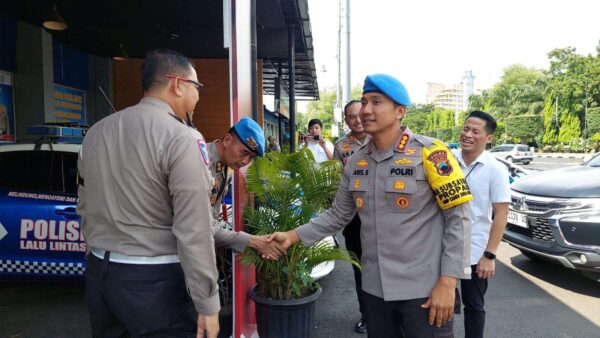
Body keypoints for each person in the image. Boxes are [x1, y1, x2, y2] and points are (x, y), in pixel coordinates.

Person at [269, 73, 473, 337]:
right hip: (375, 292)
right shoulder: (356, 162)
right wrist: (293, 236)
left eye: (376, 102)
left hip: (424, 292)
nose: (366, 110)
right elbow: (338, 214)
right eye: (364, 102)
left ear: (400, 111)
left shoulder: (431, 153)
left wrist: (448, 282)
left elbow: (459, 218)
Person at [452, 111, 510, 338]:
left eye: (475, 131)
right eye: (466, 128)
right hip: (440, 245)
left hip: (475, 251)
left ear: (489, 138)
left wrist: (490, 255)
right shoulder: (446, 159)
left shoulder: (495, 169)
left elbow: (501, 214)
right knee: (438, 301)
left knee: (474, 305)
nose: (467, 134)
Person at [333, 100, 371, 334]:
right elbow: (341, 179)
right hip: (353, 218)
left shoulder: (379, 138)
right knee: (360, 270)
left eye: (359, 114)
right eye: (350, 117)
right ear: (345, 120)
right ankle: (366, 315)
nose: (356, 120)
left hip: (379, 216)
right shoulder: (341, 146)